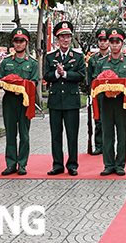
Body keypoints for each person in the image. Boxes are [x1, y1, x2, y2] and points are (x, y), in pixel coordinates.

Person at [44, 21, 86, 176]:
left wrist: (65, 74)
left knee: (72, 134)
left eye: (68, 36)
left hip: (71, 101)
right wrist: (56, 74)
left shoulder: (78, 56)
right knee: (56, 134)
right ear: (57, 39)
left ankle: (73, 164)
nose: (65, 39)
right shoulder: (50, 57)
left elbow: (81, 75)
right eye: (62, 37)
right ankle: (57, 164)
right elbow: (46, 76)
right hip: (55, 101)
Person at [0, 27, 39, 176]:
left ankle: (22, 164)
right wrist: (9, 85)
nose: (19, 44)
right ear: (13, 44)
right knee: (10, 133)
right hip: (9, 101)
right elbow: (0, 79)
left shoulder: (32, 64)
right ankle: (10, 164)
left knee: (24, 134)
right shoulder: (6, 62)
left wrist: (22, 88)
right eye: (16, 41)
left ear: (26, 43)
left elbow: (34, 82)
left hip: (24, 101)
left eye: (22, 41)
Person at [98, 27, 126, 176]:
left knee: (121, 134)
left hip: (122, 102)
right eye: (112, 42)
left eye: (117, 42)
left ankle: (120, 164)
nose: (114, 45)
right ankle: (108, 164)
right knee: (107, 134)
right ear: (108, 43)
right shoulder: (102, 62)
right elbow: (96, 81)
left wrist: (124, 85)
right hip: (106, 102)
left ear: (122, 43)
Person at [87, 28, 110, 156]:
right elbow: (90, 79)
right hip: (98, 94)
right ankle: (99, 145)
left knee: (110, 121)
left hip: (111, 93)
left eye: (105, 40)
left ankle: (109, 145)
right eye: (100, 40)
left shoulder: (112, 57)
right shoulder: (93, 59)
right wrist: (91, 94)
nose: (102, 43)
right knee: (98, 120)